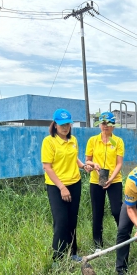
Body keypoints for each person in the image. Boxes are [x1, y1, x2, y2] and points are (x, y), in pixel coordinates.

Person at [41, 109, 92, 265]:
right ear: (55, 125)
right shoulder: (49, 141)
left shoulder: (73, 140)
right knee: (61, 220)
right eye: (62, 124)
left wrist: (83, 166)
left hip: (75, 183)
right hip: (57, 186)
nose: (65, 127)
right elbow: (47, 167)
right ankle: (58, 257)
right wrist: (62, 187)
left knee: (72, 220)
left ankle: (73, 253)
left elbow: (74, 157)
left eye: (68, 124)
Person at [85, 112, 125, 250]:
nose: (105, 126)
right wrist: (93, 165)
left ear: (113, 126)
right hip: (96, 181)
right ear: (99, 125)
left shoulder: (117, 141)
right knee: (97, 212)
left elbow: (119, 163)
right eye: (103, 123)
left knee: (116, 210)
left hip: (114, 180)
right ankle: (98, 245)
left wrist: (111, 178)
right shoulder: (93, 140)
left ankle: (124, 238)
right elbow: (87, 160)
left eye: (108, 123)